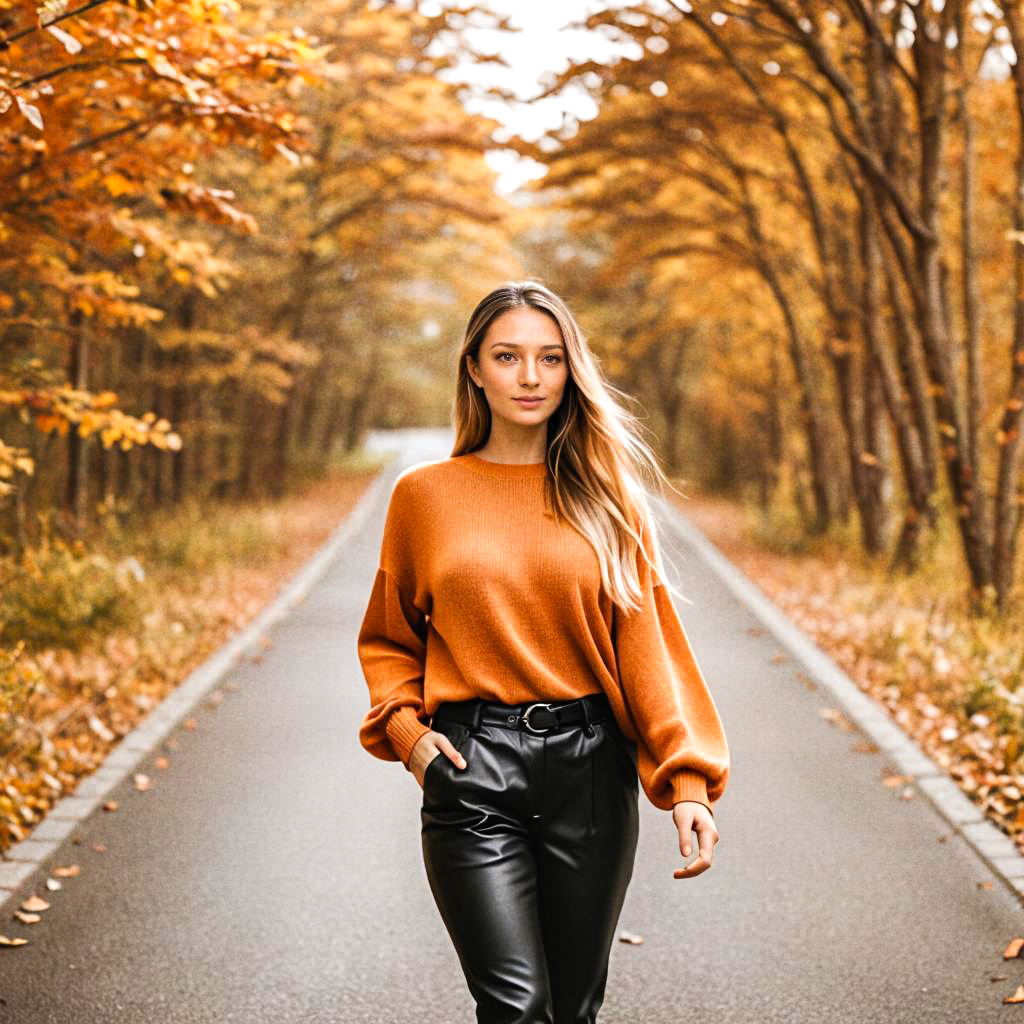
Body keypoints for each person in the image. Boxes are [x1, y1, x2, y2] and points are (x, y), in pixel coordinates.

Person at [356, 280, 730, 1024]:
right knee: (516, 1006)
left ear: (570, 371)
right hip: (471, 771)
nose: (530, 377)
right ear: (474, 368)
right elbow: (389, 640)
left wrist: (687, 782)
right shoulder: (423, 497)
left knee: (572, 1010)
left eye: (550, 358)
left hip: (590, 776)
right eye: (508, 356)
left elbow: (648, 646)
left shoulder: (608, 500)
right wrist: (411, 737)